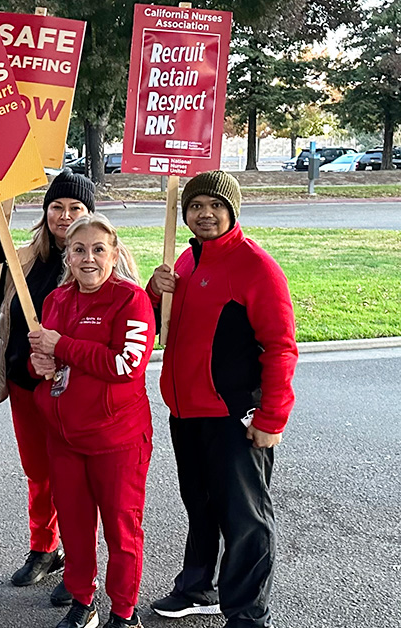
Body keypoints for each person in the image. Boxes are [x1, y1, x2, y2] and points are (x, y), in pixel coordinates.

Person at [145, 171, 297, 628]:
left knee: (245, 517)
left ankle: (247, 614)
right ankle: (196, 587)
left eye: (215, 205)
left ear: (232, 210)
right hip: (186, 411)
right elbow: (159, 329)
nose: (204, 214)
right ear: (184, 213)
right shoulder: (184, 263)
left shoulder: (256, 267)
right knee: (200, 505)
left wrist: (272, 417)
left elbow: (281, 346)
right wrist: (156, 292)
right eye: (195, 206)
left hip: (234, 415)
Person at [28, 213, 154, 628]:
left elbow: (126, 364)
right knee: (76, 528)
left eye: (99, 249)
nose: (88, 258)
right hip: (64, 439)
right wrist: (40, 362)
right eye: (79, 249)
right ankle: (83, 601)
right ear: (67, 255)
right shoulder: (56, 300)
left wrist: (63, 345)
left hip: (116, 440)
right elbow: (47, 364)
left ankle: (123, 611)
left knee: (121, 531)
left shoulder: (131, 300)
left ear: (114, 253)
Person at [0, 170, 96, 606]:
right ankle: (45, 548)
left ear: (89, 213)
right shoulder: (25, 257)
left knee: (74, 479)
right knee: (39, 475)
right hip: (26, 388)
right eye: (57, 207)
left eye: (75, 208)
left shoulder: (98, 256)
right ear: (45, 211)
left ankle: (81, 562)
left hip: (71, 392)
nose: (65, 216)